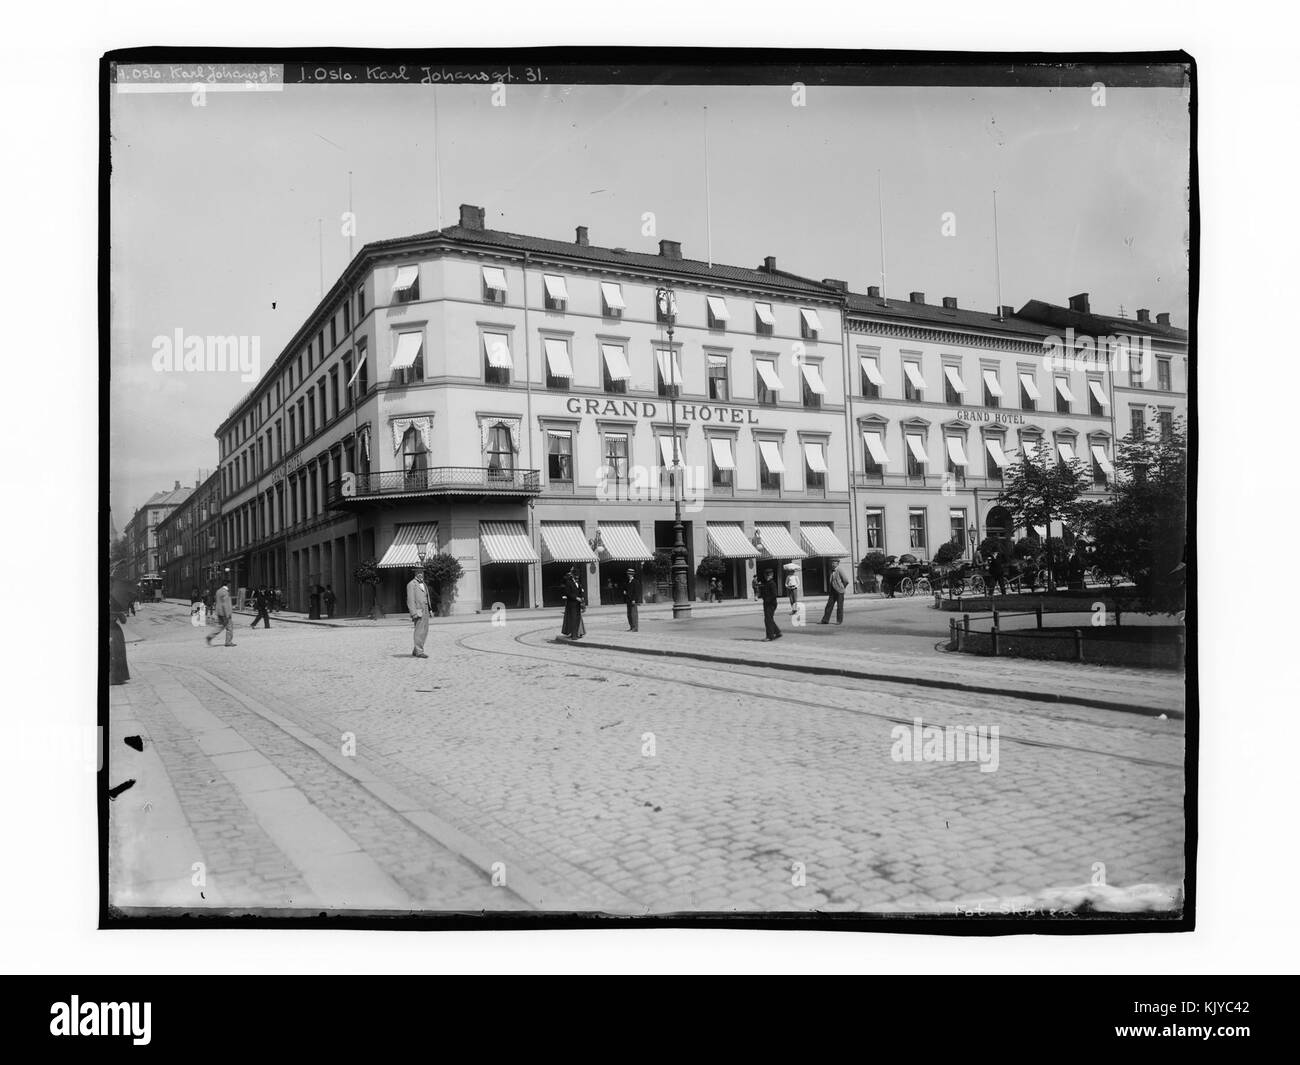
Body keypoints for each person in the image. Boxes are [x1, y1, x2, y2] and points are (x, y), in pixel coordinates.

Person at [406, 569, 430, 658]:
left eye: (422, 572)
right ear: (415, 573)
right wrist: (413, 612)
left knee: (425, 630)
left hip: (426, 609)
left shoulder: (424, 584)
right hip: (418, 610)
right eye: (418, 572)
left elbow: (427, 597)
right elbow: (410, 600)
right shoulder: (411, 584)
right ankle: (419, 651)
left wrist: (430, 610)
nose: (420, 574)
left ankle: (416, 649)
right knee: (419, 630)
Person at [108, 592, 130, 685]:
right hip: (114, 631)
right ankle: (117, 677)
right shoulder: (116, 604)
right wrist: (120, 612)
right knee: (117, 652)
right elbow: (123, 621)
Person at [205, 581, 235, 647]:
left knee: (220, 625)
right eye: (230, 584)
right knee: (229, 627)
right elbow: (225, 604)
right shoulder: (225, 592)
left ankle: (210, 636)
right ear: (228, 584)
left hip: (219, 612)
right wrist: (228, 614)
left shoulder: (218, 591)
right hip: (225, 612)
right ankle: (228, 642)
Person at [560, 566, 586, 640]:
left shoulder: (578, 583)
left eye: (578, 576)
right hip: (571, 604)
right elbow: (567, 593)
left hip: (578, 604)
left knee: (577, 619)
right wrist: (576, 598)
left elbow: (580, 592)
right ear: (573, 575)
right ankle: (573, 635)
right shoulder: (569, 583)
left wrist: (582, 598)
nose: (577, 577)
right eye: (576, 576)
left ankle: (576, 633)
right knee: (573, 619)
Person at [820, 559, 847, 624]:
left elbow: (846, 580)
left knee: (839, 606)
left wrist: (842, 587)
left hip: (839, 591)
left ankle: (839, 621)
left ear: (837, 563)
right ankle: (825, 620)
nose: (832, 564)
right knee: (829, 605)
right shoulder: (831, 571)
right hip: (832, 591)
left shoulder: (839, 570)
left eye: (834, 563)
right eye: (832, 563)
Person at [760, 568, 782, 641]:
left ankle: (770, 636)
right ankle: (777, 632)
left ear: (771, 575)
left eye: (768, 575)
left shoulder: (772, 583)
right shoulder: (766, 583)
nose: (767, 576)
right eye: (766, 575)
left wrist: (767, 600)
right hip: (767, 603)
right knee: (769, 619)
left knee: (768, 619)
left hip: (771, 603)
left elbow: (774, 594)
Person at [622, 567, 641, 632]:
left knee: (634, 614)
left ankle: (635, 628)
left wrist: (634, 599)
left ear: (632, 574)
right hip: (628, 600)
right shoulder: (627, 582)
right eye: (628, 574)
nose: (628, 575)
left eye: (629, 574)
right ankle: (631, 626)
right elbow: (625, 589)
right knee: (629, 614)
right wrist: (624, 591)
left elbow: (637, 592)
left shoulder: (636, 582)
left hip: (633, 601)